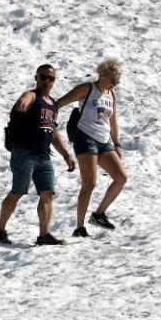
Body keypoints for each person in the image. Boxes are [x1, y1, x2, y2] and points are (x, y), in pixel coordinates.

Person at [0, 64, 76, 246]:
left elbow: (53, 132)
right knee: (17, 192)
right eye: (43, 77)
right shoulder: (32, 95)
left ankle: (44, 235)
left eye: (51, 78)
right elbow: (25, 98)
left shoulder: (53, 104)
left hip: (44, 157)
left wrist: (66, 155)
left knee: (47, 194)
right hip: (24, 153)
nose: (47, 81)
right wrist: (22, 102)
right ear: (36, 77)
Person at [56, 58, 128, 237]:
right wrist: (47, 118)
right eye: (113, 79)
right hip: (85, 137)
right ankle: (79, 228)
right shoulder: (87, 89)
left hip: (104, 140)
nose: (115, 83)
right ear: (102, 75)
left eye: (118, 80)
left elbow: (112, 120)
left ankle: (99, 214)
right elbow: (59, 103)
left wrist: (116, 143)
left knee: (121, 178)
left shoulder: (111, 95)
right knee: (90, 183)